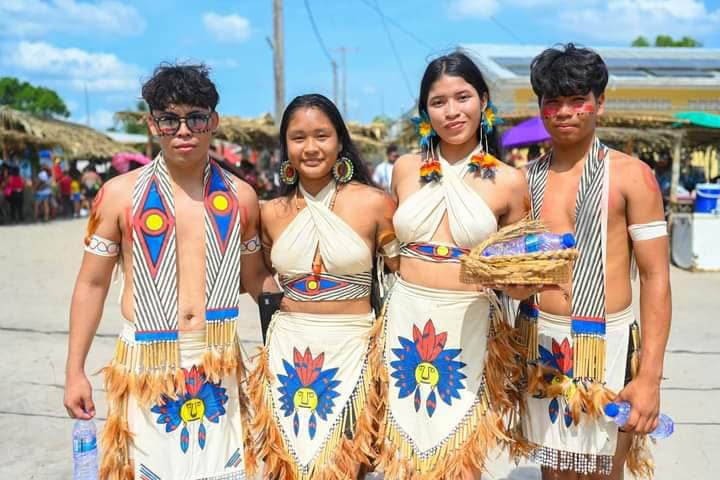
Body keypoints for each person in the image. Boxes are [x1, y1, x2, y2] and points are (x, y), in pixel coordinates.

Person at [63, 63, 275, 479]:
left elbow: (254, 279)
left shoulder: (241, 197)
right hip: (146, 359)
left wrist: (320, 299)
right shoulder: (118, 195)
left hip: (217, 359)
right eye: (169, 119)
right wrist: (75, 371)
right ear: (152, 124)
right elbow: (91, 284)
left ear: (213, 122)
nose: (184, 130)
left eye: (196, 118)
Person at [517, 43, 671, 479]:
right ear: (541, 108)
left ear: (599, 103)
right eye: (553, 102)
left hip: (609, 343)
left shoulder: (631, 175)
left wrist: (650, 378)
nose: (565, 112)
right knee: (555, 472)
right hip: (541, 345)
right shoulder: (525, 179)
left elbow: (656, 276)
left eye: (576, 100)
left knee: (603, 472)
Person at [377, 51, 529, 479]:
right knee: (401, 451)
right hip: (405, 316)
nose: (451, 111)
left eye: (462, 97)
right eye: (438, 102)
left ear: (483, 100)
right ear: (425, 112)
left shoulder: (508, 181)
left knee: (459, 454)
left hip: (471, 323)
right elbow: (387, 240)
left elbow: (518, 270)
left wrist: (522, 285)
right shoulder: (405, 169)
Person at [249, 93, 399, 479]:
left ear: (339, 141)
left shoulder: (376, 204)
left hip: (354, 345)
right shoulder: (269, 213)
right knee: (288, 463)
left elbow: (403, 272)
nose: (311, 148)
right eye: (298, 138)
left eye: (322, 136)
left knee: (349, 462)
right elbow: (256, 276)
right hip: (288, 347)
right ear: (285, 146)